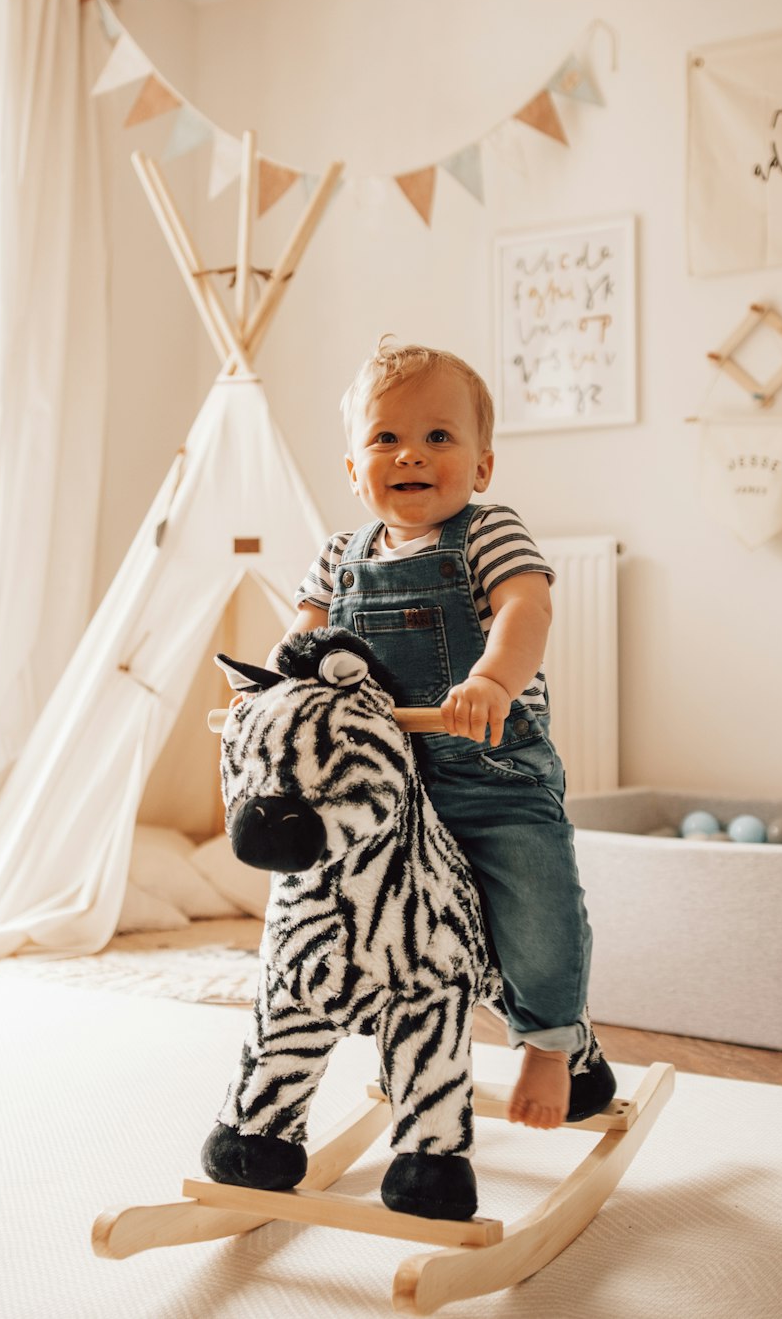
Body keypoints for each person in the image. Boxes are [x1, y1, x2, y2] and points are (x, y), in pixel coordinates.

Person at [270, 337, 599, 1129]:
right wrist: (278, 695)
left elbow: (527, 607)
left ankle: (553, 1043)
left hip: (490, 774)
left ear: (481, 467)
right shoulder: (336, 557)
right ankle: (394, 1034)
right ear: (353, 469)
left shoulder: (488, 532)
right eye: (385, 437)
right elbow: (302, 642)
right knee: (369, 914)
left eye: (438, 437)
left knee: (536, 905)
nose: (410, 453)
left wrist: (491, 678)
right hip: (381, 786)